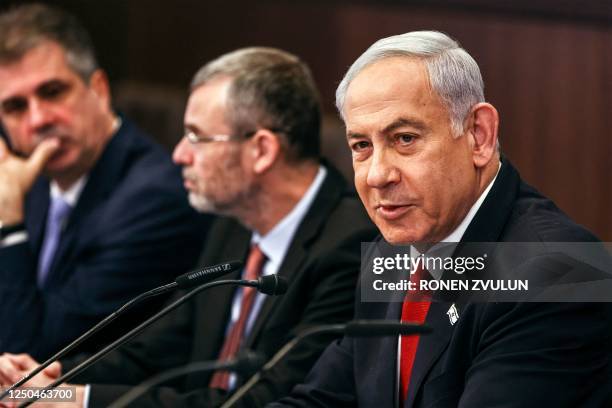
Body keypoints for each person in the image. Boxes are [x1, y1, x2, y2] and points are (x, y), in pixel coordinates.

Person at [0, 47, 377, 407]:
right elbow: (154, 350)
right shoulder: (233, 224)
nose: (179, 154)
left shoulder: (352, 247)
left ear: (261, 151)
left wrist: (77, 401)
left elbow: (266, 402)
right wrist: (50, 378)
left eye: (197, 136)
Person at [271, 31, 612, 407]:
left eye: (404, 139)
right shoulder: (394, 249)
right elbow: (324, 399)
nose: (377, 175)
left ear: (478, 136)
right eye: (362, 146)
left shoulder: (559, 273)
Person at [0, 4, 209, 361]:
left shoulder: (153, 199)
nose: (37, 120)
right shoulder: (32, 181)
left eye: (52, 92)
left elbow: (36, 359)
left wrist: (7, 223)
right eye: (15, 107)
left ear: (98, 89)